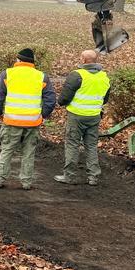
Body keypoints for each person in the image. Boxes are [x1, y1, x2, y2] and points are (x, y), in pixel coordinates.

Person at [0, 47, 56, 190]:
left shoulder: (7, 74)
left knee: (7, 150)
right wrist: (43, 115)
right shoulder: (41, 76)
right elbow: (51, 100)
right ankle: (26, 182)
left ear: (18, 60)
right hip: (32, 122)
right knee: (28, 153)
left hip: (11, 121)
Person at [55, 49, 112, 187]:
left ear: (83, 60)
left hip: (76, 116)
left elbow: (64, 98)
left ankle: (69, 176)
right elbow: (105, 99)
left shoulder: (76, 75)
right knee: (91, 146)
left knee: (72, 145)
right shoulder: (104, 77)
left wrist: (62, 103)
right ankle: (93, 177)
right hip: (94, 116)